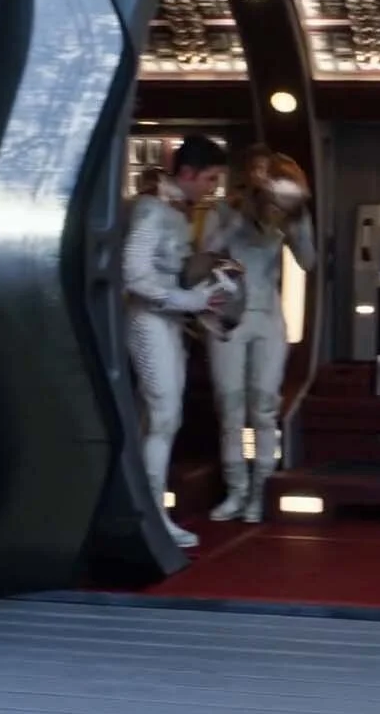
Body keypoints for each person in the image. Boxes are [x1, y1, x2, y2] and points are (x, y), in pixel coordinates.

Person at [122, 136, 232, 548]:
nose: (212, 188)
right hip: (148, 319)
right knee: (162, 416)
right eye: (209, 178)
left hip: (167, 320)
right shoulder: (152, 209)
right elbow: (133, 274)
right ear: (187, 173)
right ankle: (151, 515)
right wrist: (190, 300)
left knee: (159, 418)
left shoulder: (175, 210)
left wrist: (204, 288)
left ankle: (143, 511)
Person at [202, 145, 318, 523]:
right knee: (230, 405)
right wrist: (239, 217)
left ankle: (260, 493)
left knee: (264, 406)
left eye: (270, 173)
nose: (263, 178)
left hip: (268, 317)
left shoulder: (286, 214)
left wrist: (298, 221)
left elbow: (309, 261)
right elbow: (206, 253)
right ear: (247, 174)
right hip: (227, 315)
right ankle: (236, 491)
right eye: (258, 171)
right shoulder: (225, 210)